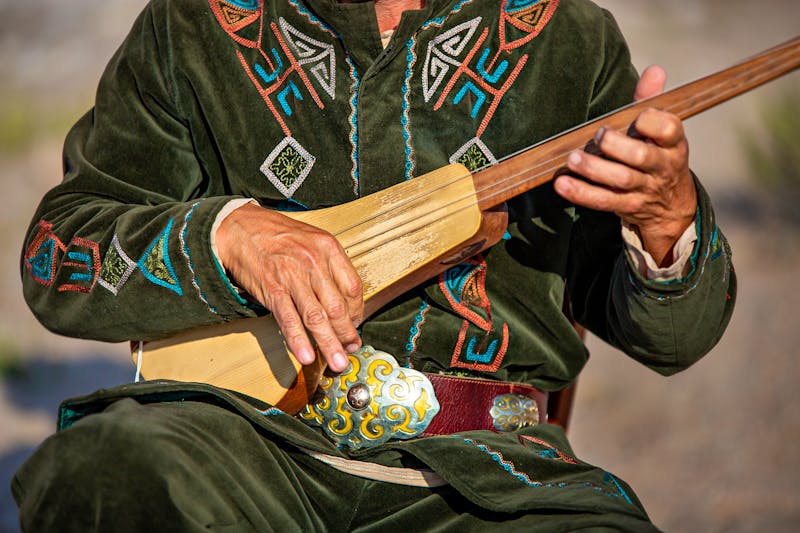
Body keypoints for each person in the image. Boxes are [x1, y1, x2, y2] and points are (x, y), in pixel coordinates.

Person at [13, 0, 735, 530]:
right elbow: (57, 254)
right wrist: (226, 236)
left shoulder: (566, 39)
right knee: (107, 473)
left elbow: (675, 338)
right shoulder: (195, 27)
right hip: (246, 449)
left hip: (494, 474)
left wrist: (665, 218)